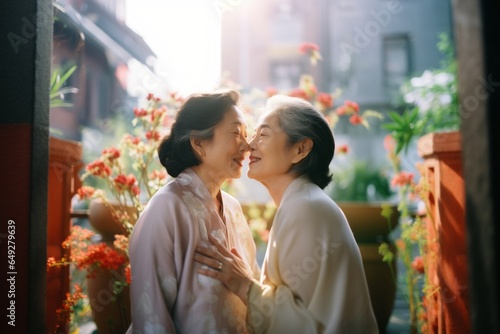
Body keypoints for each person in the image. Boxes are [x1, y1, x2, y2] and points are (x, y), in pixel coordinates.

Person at [194, 95, 378, 333]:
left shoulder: (306, 209)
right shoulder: (302, 203)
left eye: (264, 134)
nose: (250, 145)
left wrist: (244, 286)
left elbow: (303, 325)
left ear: (300, 149)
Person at [127, 89, 260, 333]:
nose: (247, 145)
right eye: (236, 133)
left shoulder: (233, 208)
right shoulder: (166, 207)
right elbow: (152, 317)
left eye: (246, 135)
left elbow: (253, 288)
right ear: (199, 143)